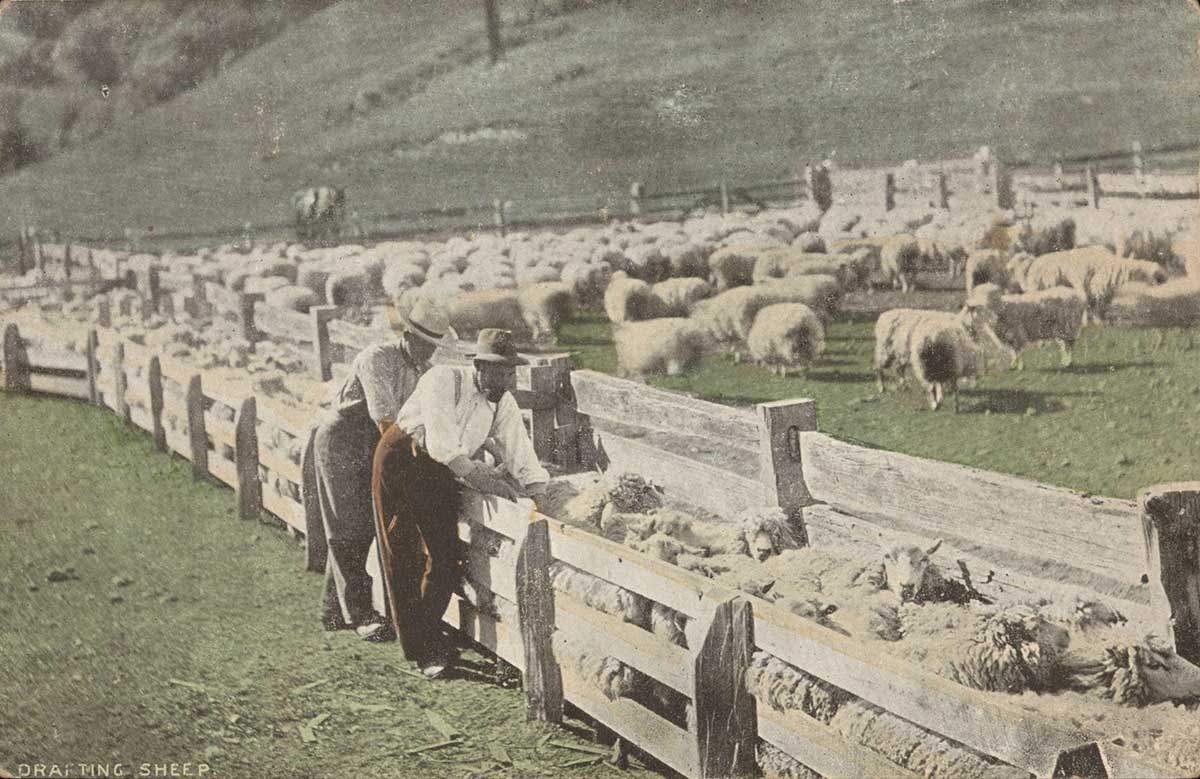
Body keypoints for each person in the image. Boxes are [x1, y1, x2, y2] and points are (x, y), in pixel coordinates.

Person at [372, 328, 549, 677]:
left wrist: (539, 493)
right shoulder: (443, 380)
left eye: (511, 372)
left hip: (440, 470)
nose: (506, 380)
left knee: (445, 554)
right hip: (401, 459)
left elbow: (520, 451)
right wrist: (481, 476)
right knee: (401, 549)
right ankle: (420, 650)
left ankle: (425, 635)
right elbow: (441, 444)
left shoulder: (502, 403)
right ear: (479, 366)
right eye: (499, 371)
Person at [312, 298, 453, 640]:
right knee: (349, 527)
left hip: (379, 444)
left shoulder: (424, 372)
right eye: (422, 344)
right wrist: (410, 465)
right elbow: (385, 418)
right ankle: (359, 614)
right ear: (407, 334)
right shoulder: (378, 358)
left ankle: (333, 609)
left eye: (433, 347)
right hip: (345, 439)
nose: (427, 353)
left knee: (367, 524)